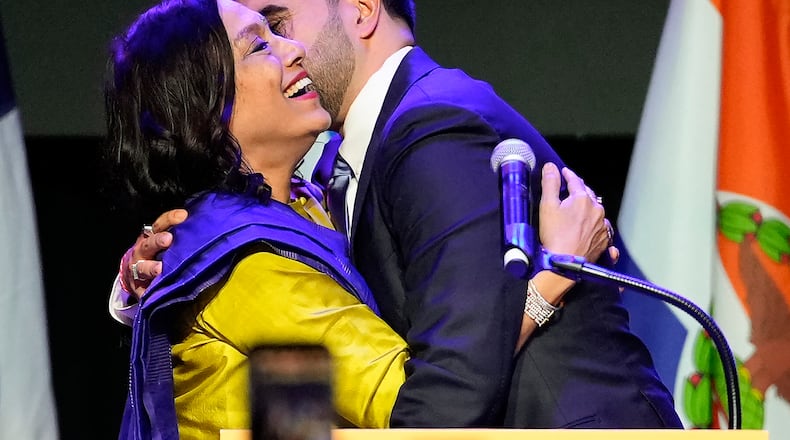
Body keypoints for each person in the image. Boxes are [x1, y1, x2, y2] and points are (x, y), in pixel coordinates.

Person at [114, 0, 683, 429]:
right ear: (208, 107)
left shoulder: (398, 145)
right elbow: (421, 409)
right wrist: (551, 279)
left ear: (361, 12)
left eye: (282, 23)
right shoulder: (247, 260)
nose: (292, 51)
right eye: (264, 41)